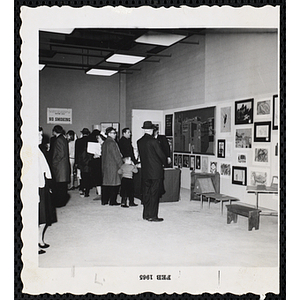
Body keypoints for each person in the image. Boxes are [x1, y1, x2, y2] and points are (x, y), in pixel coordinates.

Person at [137, 121, 166, 222]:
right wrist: (165, 161)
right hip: (155, 171)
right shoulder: (154, 141)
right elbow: (161, 155)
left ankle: (145, 214)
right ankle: (153, 216)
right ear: (152, 130)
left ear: (144, 129)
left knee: (146, 193)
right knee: (154, 194)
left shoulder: (139, 141)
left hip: (145, 171)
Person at [38, 127, 57, 254]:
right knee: (38, 218)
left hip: (43, 186)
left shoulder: (39, 150)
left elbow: (45, 170)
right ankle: (35, 245)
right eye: (38, 135)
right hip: (36, 188)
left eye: (40, 135)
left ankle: (40, 240)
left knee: (43, 218)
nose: (41, 137)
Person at [101, 127, 123, 206]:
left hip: (106, 165)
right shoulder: (112, 143)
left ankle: (104, 200)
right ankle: (113, 201)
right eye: (113, 133)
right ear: (109, 134)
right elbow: (116, 156)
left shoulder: (105, 142)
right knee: (115, 184)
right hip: (113, 165)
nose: (115, 134)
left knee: (106, 183)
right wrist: (121, 165)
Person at [51, 125, 71, 207]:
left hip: (60, 167)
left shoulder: (58, 140)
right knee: (62, 186)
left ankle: (60, 202)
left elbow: (60, 154)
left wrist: (54, 162)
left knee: (59, 186)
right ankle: (62, 202)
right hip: (63, 166)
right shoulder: (63, 139)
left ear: (54, 131)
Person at [88, 129, 105, 200]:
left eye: (99, 138)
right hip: (97, 162)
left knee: (100, 178)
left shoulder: (105, 144)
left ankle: (101, 193)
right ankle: (99, 193)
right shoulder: (98, 144)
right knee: (97, 177)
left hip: (101, 162)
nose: (97, 140)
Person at [75, 128, 92, 198]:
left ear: (82, 133)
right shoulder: (91, 140)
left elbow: (76, 152)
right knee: (88, 176)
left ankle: (81, 188)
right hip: (89, 160)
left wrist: (76, 162)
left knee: (81, 176)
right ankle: (87, 191)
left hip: (80, 160)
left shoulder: (78, 141)